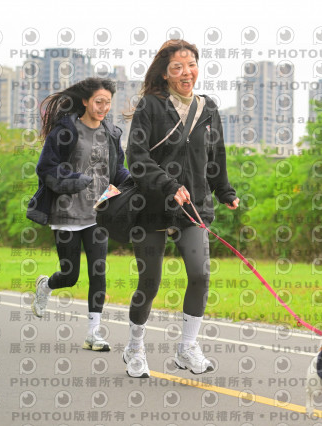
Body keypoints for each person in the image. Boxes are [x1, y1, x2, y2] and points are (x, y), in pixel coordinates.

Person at [123, 39, 239, 378]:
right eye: (178, 67)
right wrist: (169, 186)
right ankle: (135, 347)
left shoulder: (208, 108)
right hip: (152, 206)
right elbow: (136, 158)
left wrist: (224, 191)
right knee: (150, 282)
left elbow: (216, 157)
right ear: (165, 73)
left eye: (191, 66)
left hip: (193, 208)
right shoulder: (150, 106)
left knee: (200, 275)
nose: (186, 72)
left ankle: (186, 348)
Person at [27, 77, 130, 352]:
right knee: (70, 275)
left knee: (98, 272)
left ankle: (93, 334)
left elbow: (117, 170)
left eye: (108, 102)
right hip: (66, 213)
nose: (103, 107)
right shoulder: (65, 130)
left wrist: (132, 181)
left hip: (98, 213)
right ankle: (46, 285)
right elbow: (46, 168)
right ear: (85, 101)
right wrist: (76, 180)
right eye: (99, 102)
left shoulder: (111, 132)